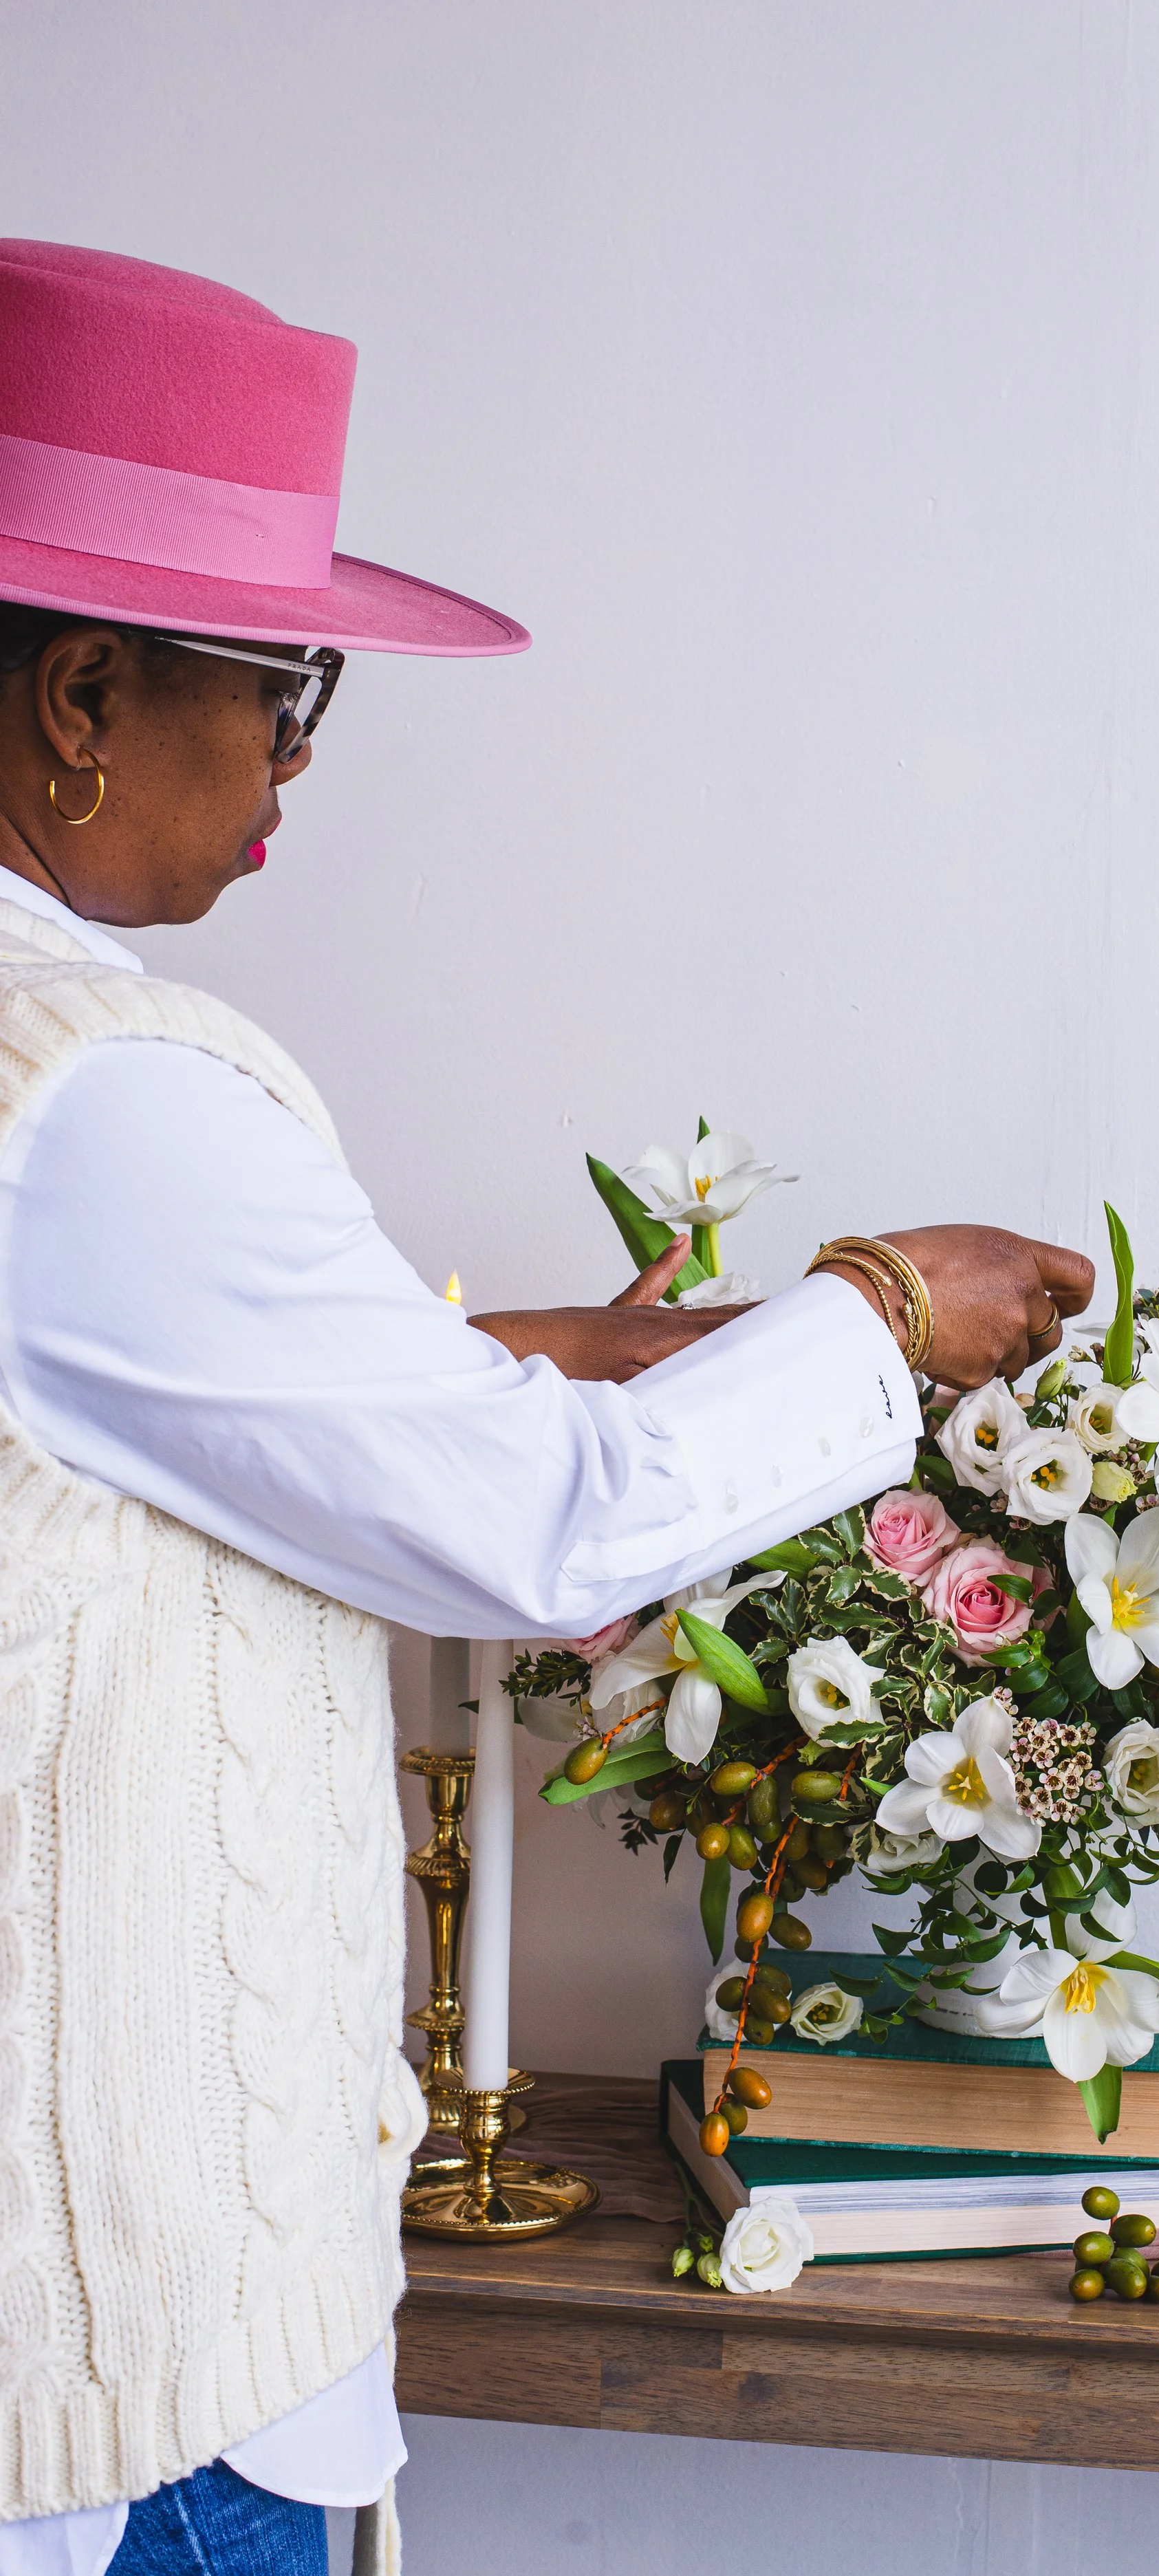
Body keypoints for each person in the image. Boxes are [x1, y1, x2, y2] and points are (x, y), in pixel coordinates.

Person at [0, 242, 1093, 2575]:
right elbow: (545, 1538)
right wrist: (886, 1311)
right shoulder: (94, 1087)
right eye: (283, 682)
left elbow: (116, 1423)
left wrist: (535, 1352)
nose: (301, 757)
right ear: (82, 688)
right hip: (124, 2341)